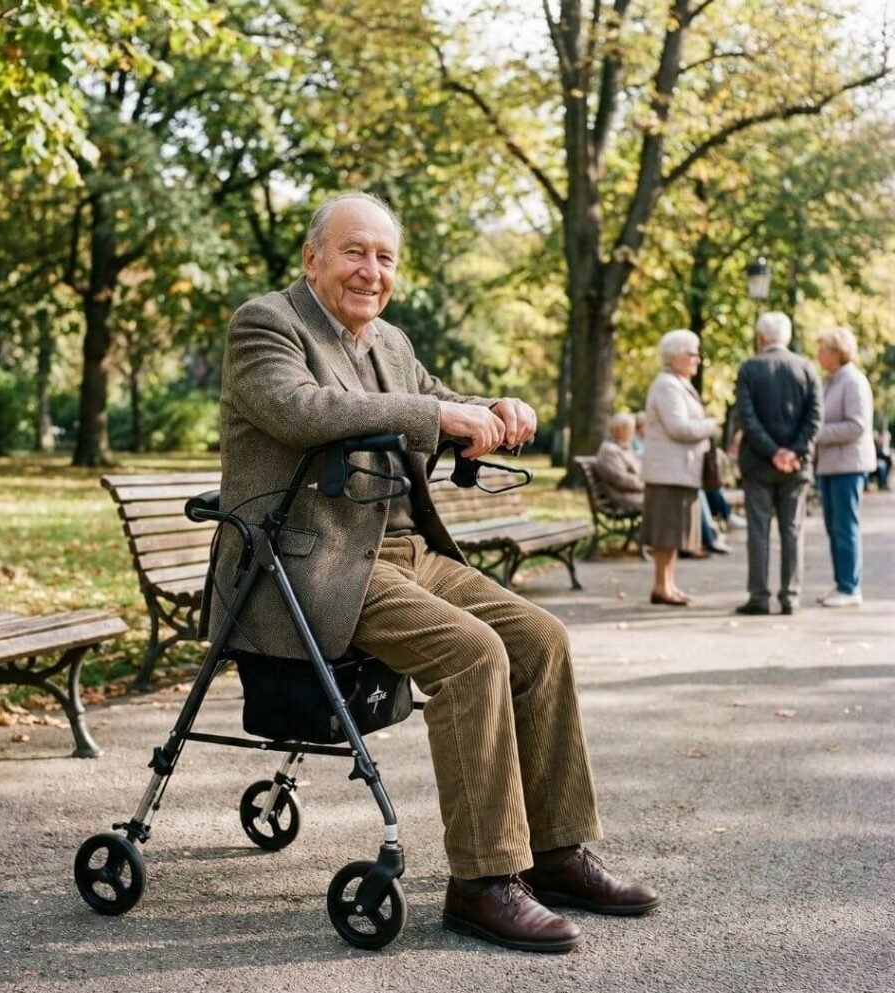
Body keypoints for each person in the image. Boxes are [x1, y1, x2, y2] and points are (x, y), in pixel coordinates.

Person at [209, 192, 659, 954]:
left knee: (541, 638)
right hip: (313, 564)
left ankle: (554, 852)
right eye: (355, 252)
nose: (370, 270)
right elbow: (300, 410)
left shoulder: (389, 341)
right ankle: (483, 883)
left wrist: (491, 407)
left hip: (405, 555)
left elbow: (438, 400)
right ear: (312, 257)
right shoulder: (267, 325)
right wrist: (436, 417)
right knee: (474, 653)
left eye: (385, 258)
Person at [734, 312, 822, 615]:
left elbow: (747, 417)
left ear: (760, 338)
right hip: (795, 468)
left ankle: (758, 596)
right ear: (787, 337)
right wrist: (793, 452)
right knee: (793, 530)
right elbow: (815, 418)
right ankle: (791, 596)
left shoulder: (749, 368)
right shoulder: (807, 369)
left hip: (758, 464)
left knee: (758, 531)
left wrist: (772, 452)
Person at [639, 330, 719, 605]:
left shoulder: (678, 383)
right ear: (676, 357)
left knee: (672, 533)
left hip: (679, 471)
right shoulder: (666, 386)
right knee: (666, 532)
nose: (697, 359)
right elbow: (678, 427)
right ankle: (661, 586)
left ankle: (668, 584)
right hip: (668, 473)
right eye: (692, 354)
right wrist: (711, 425)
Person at [815, 328, 876, 607]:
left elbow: (857, 425)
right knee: (834, 526)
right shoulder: (831, 382)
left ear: (837, 352)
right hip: (831, 465)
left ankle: (850, 587)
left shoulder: (852, 381)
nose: (819, 355)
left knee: (844, 526)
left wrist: (817, 434)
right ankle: (843, 582)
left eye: (823, 350)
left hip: (847, 465)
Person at [594, 412, 644, 513]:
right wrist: (646, 484)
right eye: (630, 429)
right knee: (660, 501)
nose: (633, 433)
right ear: (619, 430)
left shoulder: (624, 448)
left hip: (633, 493)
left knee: (664, 499)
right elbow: (620, 479)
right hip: (622, 497)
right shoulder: (609, 451)